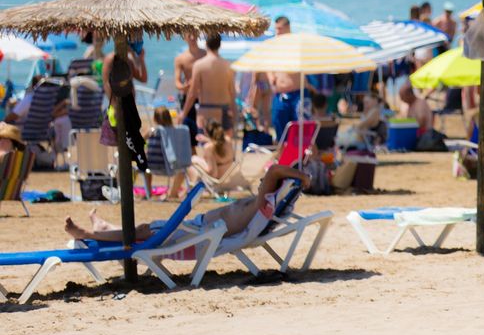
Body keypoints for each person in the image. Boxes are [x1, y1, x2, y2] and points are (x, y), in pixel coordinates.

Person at [67, 164, 308, 244]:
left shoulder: (260, 204)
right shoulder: (259, 206)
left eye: (265, 181)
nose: (262, 181)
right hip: (198, 228)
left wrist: (302, 177)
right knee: (145, 228)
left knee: (144, 232)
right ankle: (102, 227)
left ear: (270, 188)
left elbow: (276, 170)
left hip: (199, 235)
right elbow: (275, 173)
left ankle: (89, 234)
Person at [103, 37, 150, 184]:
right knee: (124, 147)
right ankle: (121, 183)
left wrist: (140, 59)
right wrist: (117, 107)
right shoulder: (111, 59)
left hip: (129, 109)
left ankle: (126, 182)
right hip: (118, 109)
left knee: (130, 147)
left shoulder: (128, 59)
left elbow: (143, 78)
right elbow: (107, 84)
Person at [180, 33, 238, 139]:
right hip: (224, 111)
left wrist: (183, 113)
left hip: (206, 111)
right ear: (220, 46)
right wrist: (235, 115)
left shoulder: (199, 65)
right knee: (224, 148)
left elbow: (192, 93)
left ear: (206, 44)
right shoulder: (228, 65)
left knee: (207, 148)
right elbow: (232, 93)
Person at [268, 16, 302, 141]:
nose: (277, 32)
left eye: (280, 29)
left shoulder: (296, 44)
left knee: (300, 129)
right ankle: (282, 157)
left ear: (288, 28)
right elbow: (267, 64)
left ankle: (301, 157)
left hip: (296, 94)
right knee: (280, 130)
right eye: (276, 29)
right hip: (280, 94)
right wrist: (271, 76)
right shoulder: (273, 45)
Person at [172, 33, 205, 115]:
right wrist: (184, 87)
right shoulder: (180, 59)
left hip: (204, 97)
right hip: (188, 97)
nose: (193, 37)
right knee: (188, 126)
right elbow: (177, 83)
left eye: (194, 34)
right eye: (189, 35)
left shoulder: (206, 54)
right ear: (184, 38)